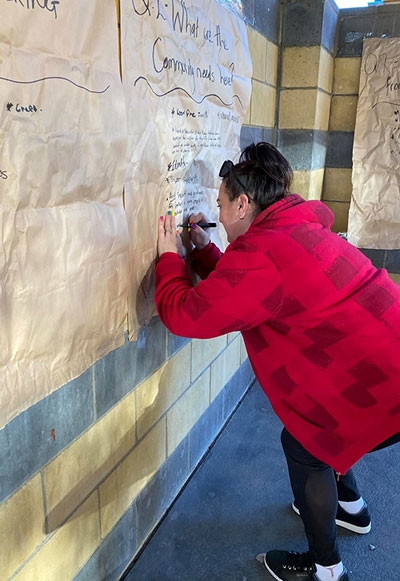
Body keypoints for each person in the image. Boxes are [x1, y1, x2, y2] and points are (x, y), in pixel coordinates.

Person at [155, 142, 400, 581]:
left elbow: (184, 314)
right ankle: (352, 508)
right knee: (334, 424)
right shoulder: (294, 229)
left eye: (221, 205)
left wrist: (170, 259)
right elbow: (254, 295)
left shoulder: (262, 255)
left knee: (306, 445)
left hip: (385, 376)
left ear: (243, 203)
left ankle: (326, 569)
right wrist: (205, 252)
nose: (219, 216)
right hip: (386, 362)